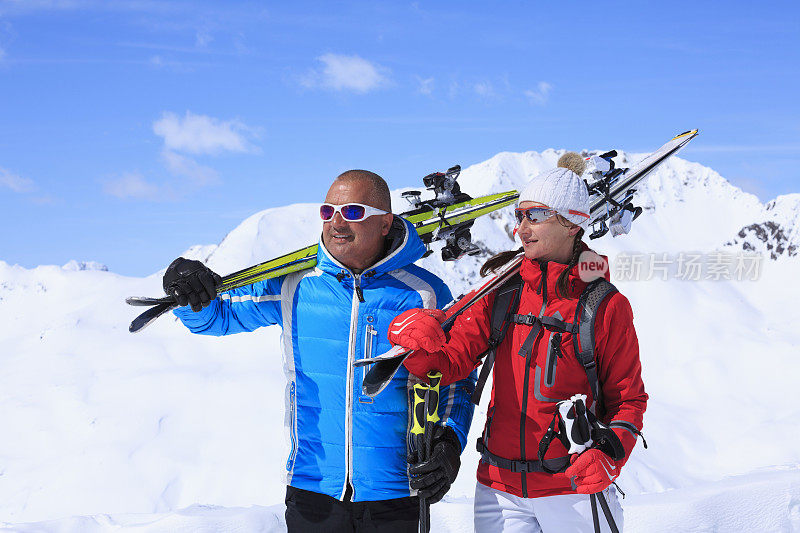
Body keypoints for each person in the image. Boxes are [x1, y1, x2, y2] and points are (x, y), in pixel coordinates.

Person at [161, 170, 477, 532]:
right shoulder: (295, 282)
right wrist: (187, 291)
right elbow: (218, 317)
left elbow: (458, 374)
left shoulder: (425, 293)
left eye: (354, 211)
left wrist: (450, 440)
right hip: (312, 491)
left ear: (386, 222)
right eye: (328, 211)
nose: (337, 222)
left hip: (396, 494)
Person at [388, 154, 648, 532]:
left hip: (573, 487)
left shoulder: (605, 305)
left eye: (535, 216)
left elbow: (629, 398)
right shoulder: (503, 292)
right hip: (499, 488)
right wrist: (414, 337)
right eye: (519, 217)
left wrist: (610, 451)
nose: (521, 229)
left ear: (572, 221)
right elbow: (447, 362)